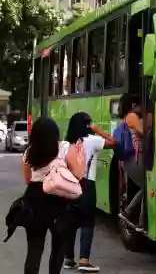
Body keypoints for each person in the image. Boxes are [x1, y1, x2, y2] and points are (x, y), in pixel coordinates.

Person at [21, 117, 84, 274]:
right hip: (58, 201)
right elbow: (78, 175)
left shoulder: (29, 152)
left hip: (34, 199)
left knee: (34, 249)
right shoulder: (64, 148)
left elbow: (27, 179)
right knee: (58, 248)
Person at [63, 112, 116, 272]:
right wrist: (97, 129)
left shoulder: (66, 144)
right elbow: (113, 142)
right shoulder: (92, 141)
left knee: (71, 222)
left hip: (69, 186)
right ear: (87, 125)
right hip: (87, 185)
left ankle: (68, 259)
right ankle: (84, 260)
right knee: (87, 221)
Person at [118, 93, 152, 231]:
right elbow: (143, 132)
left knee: (147, 186)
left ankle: (140, 222)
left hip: (135, 158)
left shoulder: (132, 116)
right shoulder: (132, 117)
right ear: (133, 105)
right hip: (134, 159)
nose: (141, 107)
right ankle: (131, 215)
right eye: (138, 104)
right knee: (147, 186)